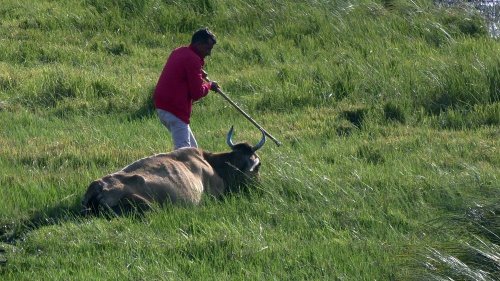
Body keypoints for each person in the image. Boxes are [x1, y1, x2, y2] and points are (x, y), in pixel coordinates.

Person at [154, 28, 219, 150]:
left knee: (193, 151)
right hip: (175, 109)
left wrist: (198, 72)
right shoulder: (193, 60)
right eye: (207, 48)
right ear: (199, 44)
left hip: (162, 105)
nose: (209, 53)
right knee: (184, 154)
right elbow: (197, 93)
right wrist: (209, 85)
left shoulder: (179, 51)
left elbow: (182, 71)